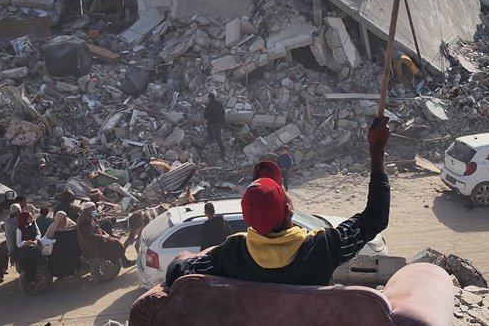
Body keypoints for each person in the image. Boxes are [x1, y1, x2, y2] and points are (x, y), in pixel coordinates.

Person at [165, 116, 389, 288]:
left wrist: (184, 257)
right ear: (289, 209)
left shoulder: (231, 253)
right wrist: (376, 149)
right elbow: (375, 217)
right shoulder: (324, 247)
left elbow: (177, 271)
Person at [76, 202, 130, 267]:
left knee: (115, 240)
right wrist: (103, 236)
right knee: (116, 243)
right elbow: (89, 235)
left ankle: (124, 260)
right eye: (94, 210)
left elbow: (97, 227)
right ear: (88, 210)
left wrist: (105, 233)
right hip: (92, 245)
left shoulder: (88, 217)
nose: (95, 211)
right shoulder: (85, 221)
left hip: (96, 241)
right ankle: (124, 262)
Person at [0, 203, 21, 284]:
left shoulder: (9, 222)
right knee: (2, 245)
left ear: (11, 212)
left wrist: (11, 254)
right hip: (23, 242)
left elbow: (10, 239)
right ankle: (4, 268)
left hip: (15, 245)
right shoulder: (24, 217)